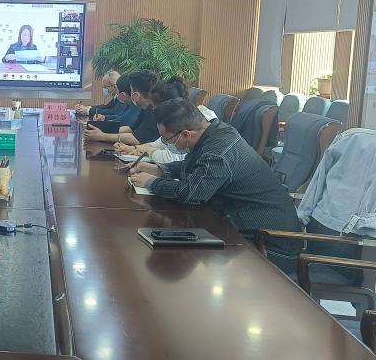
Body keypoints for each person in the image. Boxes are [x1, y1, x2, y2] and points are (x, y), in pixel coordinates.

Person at [128, 98, 301, 272]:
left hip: (269, 244)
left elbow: (191, 193)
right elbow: (197, 168)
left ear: (186, 134)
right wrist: (159, 169)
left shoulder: (219, 151)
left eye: (167, 140)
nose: (167, 144)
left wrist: (151, 182)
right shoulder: (214, 132)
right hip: (238, 226)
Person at [114, 77, 218, 163]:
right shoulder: (180, 115)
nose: (154, 112)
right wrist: (135, 149)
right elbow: (160, 143)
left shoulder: (197, 120)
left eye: (154, 108)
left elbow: (171, 158)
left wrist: (148, 151)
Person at [84, 71, 159, 144]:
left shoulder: (153, 111)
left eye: (131, 90)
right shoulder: (146, 108)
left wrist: (103, 136)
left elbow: (136, 139)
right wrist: (103, 131)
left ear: (136, 95)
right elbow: (131, 128)